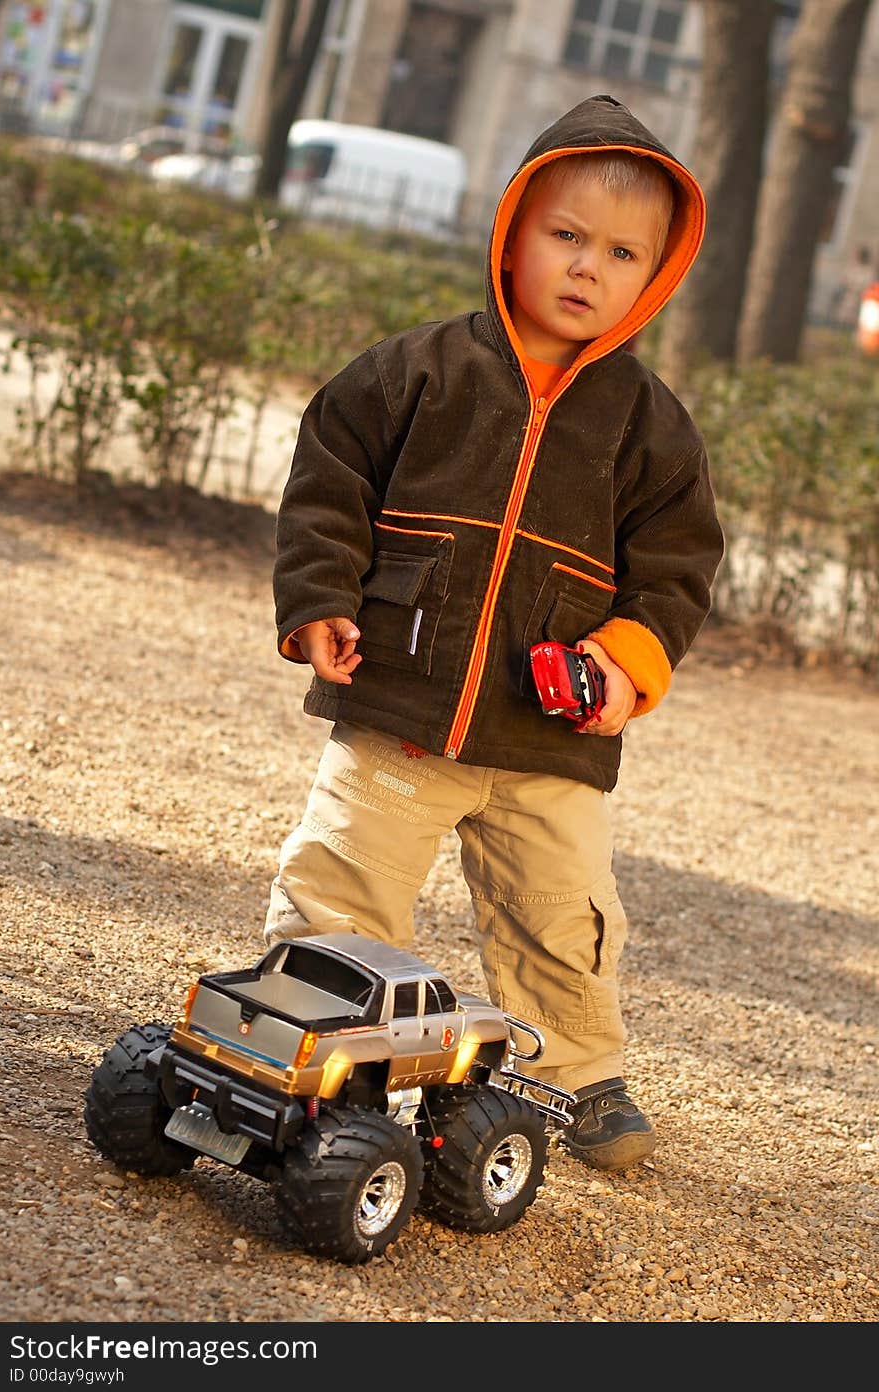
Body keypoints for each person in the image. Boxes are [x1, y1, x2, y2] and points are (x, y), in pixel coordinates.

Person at [264, 94, 724, 1172]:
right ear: (511, 229)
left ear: (654, 275)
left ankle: (578, 1074)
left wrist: (625, 662)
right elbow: (328, 483)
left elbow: (676, 568)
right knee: (339, 881)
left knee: (560, 916)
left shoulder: (649, 426)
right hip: (399, 704)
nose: (586, 267)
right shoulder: (414, 372)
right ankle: (308, 1039)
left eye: (620, 252)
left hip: (547, 735)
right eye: (564, 235)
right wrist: (320, 599)